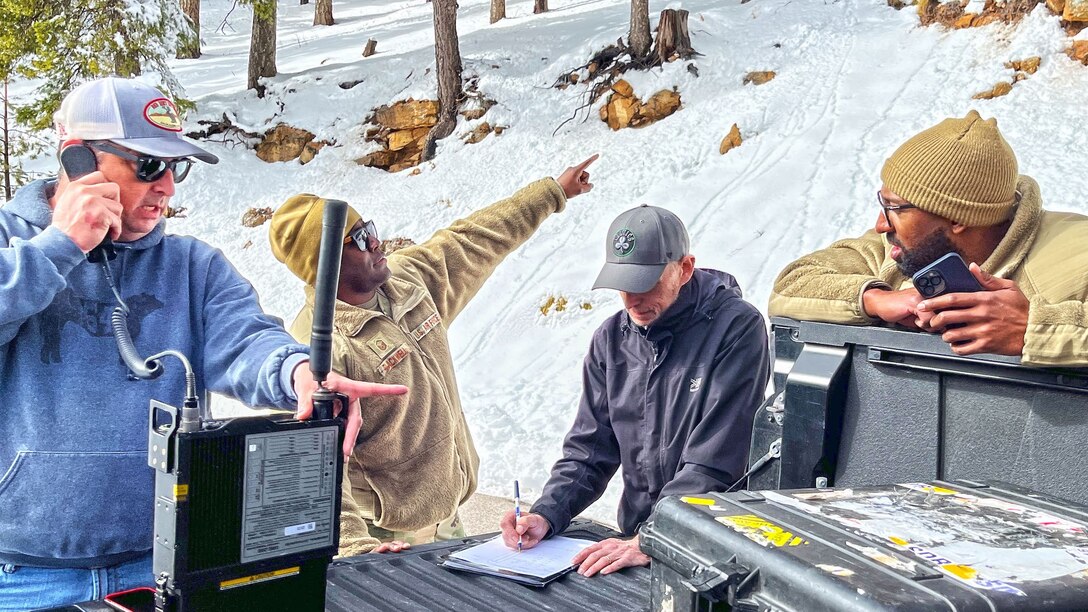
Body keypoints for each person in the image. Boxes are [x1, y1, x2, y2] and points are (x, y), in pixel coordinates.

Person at [0, 77, 406, 612]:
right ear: (79, 159)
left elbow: (247, 339)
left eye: (177, 167)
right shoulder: (12, 240)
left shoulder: (193, 267)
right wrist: (60, 246)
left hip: (163, 564)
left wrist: (297, 373)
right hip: (21, 573)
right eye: (149, 165)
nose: (168, 186)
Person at [268, 155, 598, 556]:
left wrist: (553, 192)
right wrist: (355, 548)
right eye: (357, 239)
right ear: (323, 266)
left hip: (450, 522)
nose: (376, 241)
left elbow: (473, 240)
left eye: (368, 228)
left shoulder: (406, 282)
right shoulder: (319, 348)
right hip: (388, 541)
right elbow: (312, 467)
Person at [499, 205, 771, 576]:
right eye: (623, 285)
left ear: (685, 269)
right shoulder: (611, 339)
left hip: (712, 549)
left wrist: (652, 538)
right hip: (636, 539)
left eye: (646, 283)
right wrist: (547, 513)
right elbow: (589, 450)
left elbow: (714, 464)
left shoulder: (736, 329)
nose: (632, 300)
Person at [769, 110, 1088, 366]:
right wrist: (877, 300)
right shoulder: (895, 248)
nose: (881, 224)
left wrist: (1034, 327)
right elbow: (792, 283)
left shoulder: (1078, 252)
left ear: (957, 218)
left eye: (893, 208)